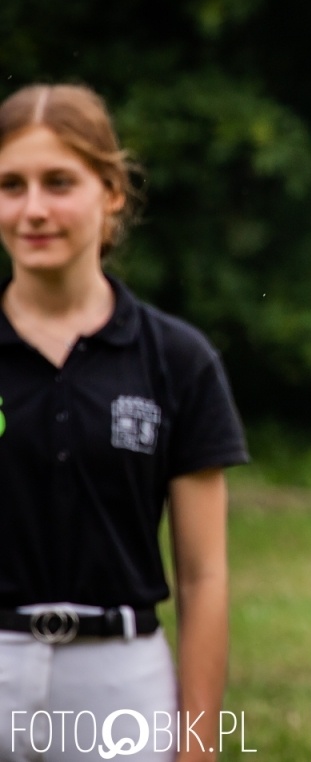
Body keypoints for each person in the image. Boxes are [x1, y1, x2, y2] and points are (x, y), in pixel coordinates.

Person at [0, 85, 248, 762]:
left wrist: (197, 744)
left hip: (119, 681)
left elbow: (203, 578)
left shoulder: (177, 360)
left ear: (110, 192)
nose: (34, 209)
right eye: (10, 185)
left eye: (58, 182)